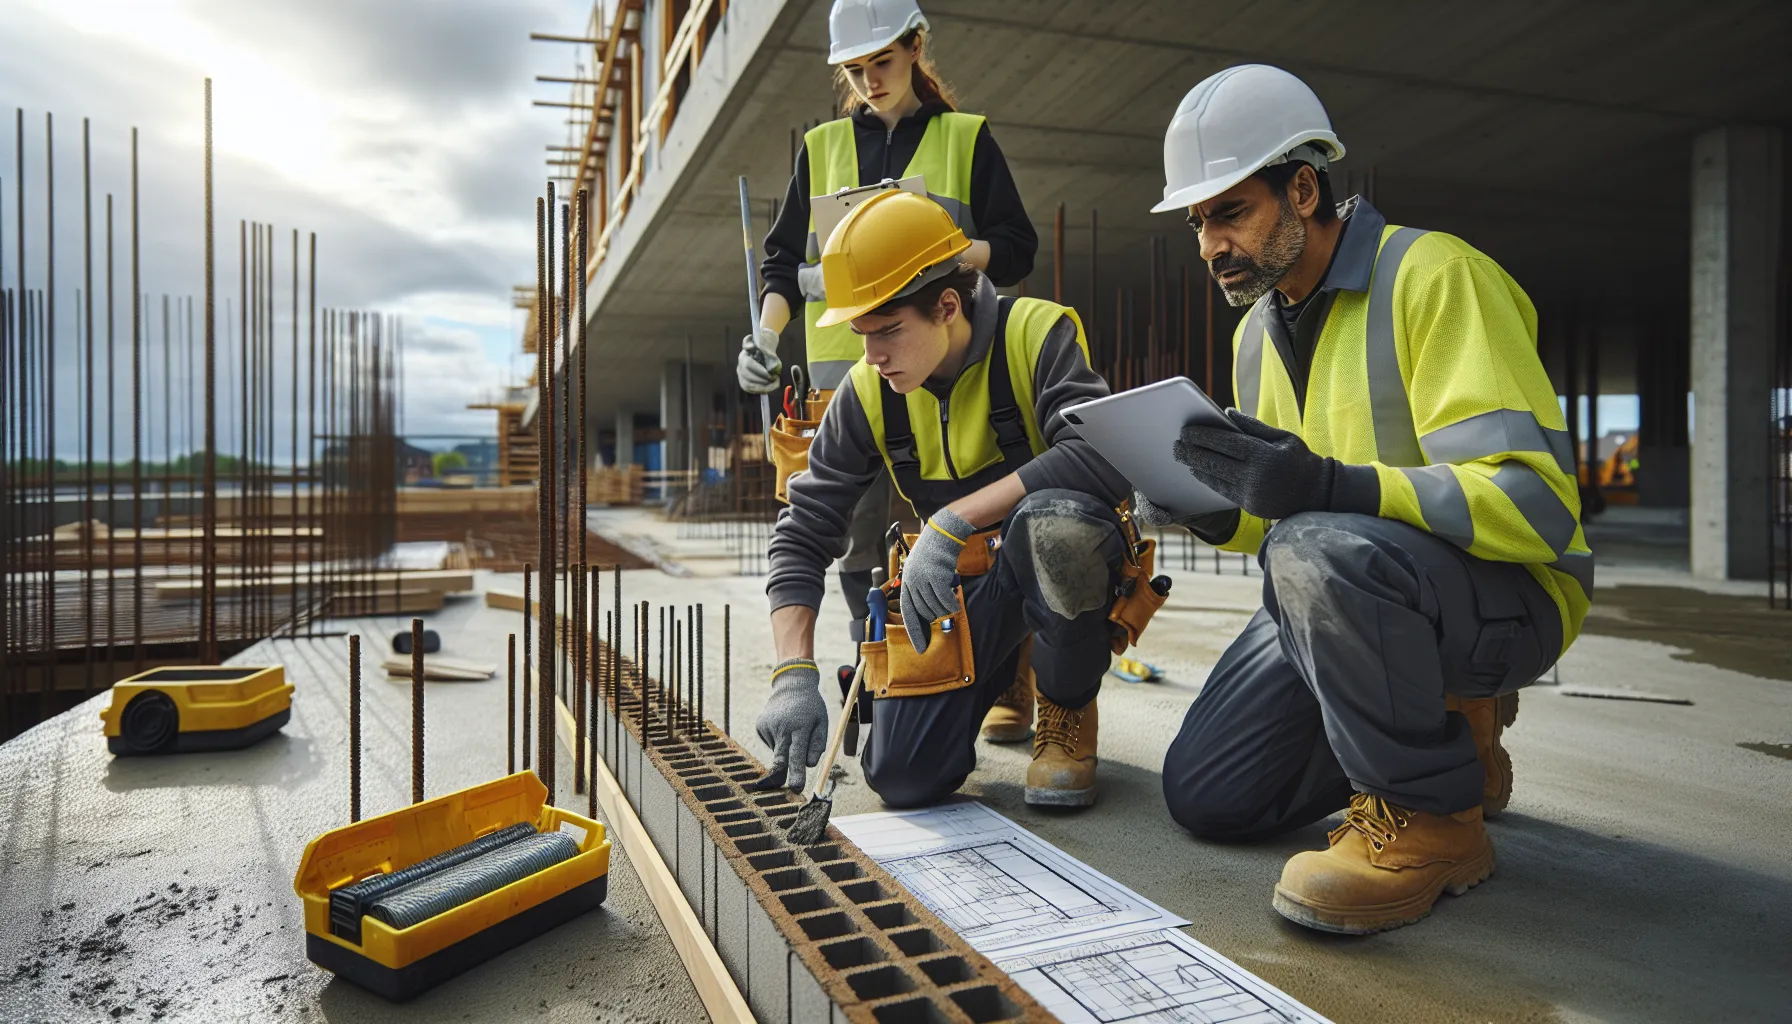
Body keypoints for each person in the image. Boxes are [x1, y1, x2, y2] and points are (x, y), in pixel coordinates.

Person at [1141, 65, 1592, 934]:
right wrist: (1206, 504)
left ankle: (1433, 817)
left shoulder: (1436, 277)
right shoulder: (1256, 336)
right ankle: (1454, 737)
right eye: (1198, 223)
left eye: (1230, 212)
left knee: (1310, 548)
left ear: (1303, 188)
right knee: (1209, 795)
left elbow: (1538, 508)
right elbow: (1274, 520)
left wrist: (1326, 489)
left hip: (1507, 599)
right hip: (1351, 593)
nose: (1208, 245)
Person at [754, 189, 1135, 809]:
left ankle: (1064, 709)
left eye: (888, 332)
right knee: (903, 777)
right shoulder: (868, 390)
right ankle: (1007, 664)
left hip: (1048, 562)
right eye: (860, 334)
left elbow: (1103, 457)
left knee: (1057, 526)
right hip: (968, 584)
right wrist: (792, 673)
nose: (872, 356)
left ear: (948, 306)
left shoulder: (1036, 335)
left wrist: (954, 520)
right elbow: (804, 528)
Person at [737, 0, 1043, 746]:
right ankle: (877, 659)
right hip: (853, 385)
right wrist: (767, 336)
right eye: (856, 69)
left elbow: (1016, 246)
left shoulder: (964, 138)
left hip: (949, 374)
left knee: (974, 527)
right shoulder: (823, 146)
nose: (869, 81)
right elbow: (780, 262)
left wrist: (938, 252)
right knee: (857, 540)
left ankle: (1009, 675)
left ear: (914, 48)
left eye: (882, 62)